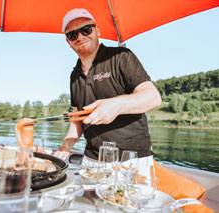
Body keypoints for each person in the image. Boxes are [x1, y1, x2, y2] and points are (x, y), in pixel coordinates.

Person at [54, 8, 162, 168]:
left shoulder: (121, 56)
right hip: (92, 161)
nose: (80, 37)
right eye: (72, 34)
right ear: (68, 41)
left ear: (97, 30)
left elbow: (153, 98)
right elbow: (77, 121)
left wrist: (116, 105)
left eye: (86, 30)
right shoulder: (74, 75)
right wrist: (65, 147)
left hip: (132, 160)